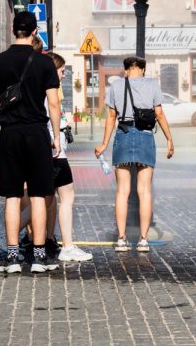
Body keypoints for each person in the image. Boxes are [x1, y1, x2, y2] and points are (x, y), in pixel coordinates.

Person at [0, 11, 61, 274]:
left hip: (10, 133)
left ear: (13, 31)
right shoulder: (44, 64)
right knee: (39, 195)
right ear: (34, 32)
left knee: (12, 196)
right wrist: (57, 136)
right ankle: (39, 257)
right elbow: (53, 102)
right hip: (38, 132)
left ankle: (13, 257)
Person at [94, 57, 174, 253]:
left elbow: (111, 116)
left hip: (123, 135)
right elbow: (160, 113)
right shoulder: (152, 85)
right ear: (143, 70)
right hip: (146, 137)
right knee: (145, 191)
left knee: (122, 191)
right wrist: (169, 139)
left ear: (126, 70)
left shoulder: (117, 86)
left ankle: (121, 239)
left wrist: (104, 143)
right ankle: (144, 240)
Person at [46, 52, 93, 262]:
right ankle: (68, 246)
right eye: (62, 70)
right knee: (67, 196)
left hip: (44, 150)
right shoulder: (50, 92)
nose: (64, 75)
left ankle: (13, 239)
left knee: (43, 198)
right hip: (56, 152)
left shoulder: (36, 88)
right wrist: (57, 136)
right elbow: (52, 113)